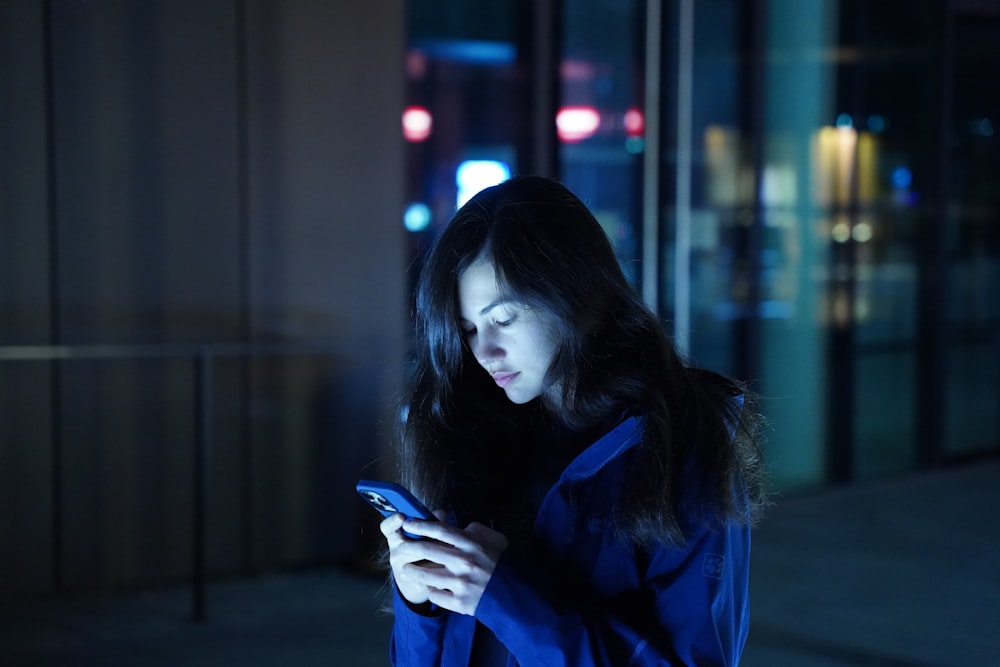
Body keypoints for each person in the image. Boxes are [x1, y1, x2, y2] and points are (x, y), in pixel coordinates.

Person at [378, 175, 768, 666]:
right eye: (469, 329)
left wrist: (502, 597)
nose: (485, 351)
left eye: (504, 319)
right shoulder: (470, 430)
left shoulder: (680, 442)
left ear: (574, 294)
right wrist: (420, 601)